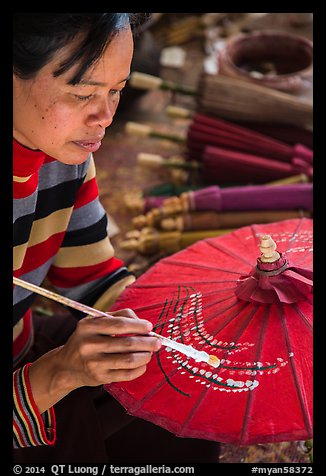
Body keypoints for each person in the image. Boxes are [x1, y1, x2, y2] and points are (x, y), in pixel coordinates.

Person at [13, 13, 221, 463]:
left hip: (24, 346)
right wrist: (55, 376)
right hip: (28, 385)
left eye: (117, 90)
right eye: (83, 93)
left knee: (185, 414)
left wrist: (174, 329)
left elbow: (92, 278)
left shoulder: (59, 148)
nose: (105, 117)